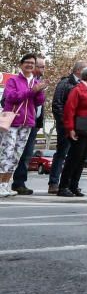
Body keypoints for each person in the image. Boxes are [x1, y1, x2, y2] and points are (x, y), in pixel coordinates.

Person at [0, 54, 47, 197]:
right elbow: (12, 97)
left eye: (32, 63)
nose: (30, 65)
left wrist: (40, 90)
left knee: (16, 156)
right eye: (26, 62)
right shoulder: (13, 80)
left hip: (27, 124)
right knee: (6, 153)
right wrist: (31, 91)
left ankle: (5, 185)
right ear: (21, 64)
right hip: (13, 121)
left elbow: (38, 102)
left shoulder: (35, 82)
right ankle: (0, 185)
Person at [58, 66, 87, 197]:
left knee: (82, 159)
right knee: (74, 158)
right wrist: (70, 128)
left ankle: (74, 186)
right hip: (80, 129)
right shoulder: (78, 90)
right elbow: (69, 110)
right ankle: (63, 186)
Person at [48, 61, 85, 194]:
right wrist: (65, 123)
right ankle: (53, 183)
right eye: (86, 70)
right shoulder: (64, 83)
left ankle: (69, 183)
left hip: (78, 126)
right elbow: (57, 105)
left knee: (74, 155)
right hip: (65, 126)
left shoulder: (83, 85)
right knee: (62, 152)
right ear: (79, 70)